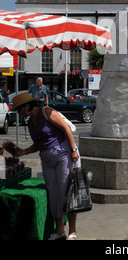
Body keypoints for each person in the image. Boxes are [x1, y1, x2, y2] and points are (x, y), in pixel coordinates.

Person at [11, 92, 80, 240]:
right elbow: (38, 143)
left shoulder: (46, 112)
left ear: (27, 106)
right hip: (47, 159)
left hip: (63, 154)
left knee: (66, 193)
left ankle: (72, 232)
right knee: (53, 194)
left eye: (20, 109)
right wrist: (24, 151)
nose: (19, 113)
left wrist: (73, 149)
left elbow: (66, 129)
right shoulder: (30, 123)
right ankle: (59, 230)